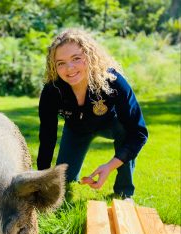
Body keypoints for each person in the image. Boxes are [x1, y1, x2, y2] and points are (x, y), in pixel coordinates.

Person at [37, 28, 148, 199]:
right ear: (54, 66)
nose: (69, 68)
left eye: (76, 59)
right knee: (63, 182)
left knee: (126, 131)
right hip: (76, 130)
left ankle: (124, 192)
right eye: (61, 63)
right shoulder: (52, 91)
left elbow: (139, 133)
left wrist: (110, 166)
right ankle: (71, 176)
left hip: (111, 125)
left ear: (90, 56)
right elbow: (47, 136)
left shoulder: (113, 82)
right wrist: (41, 178)